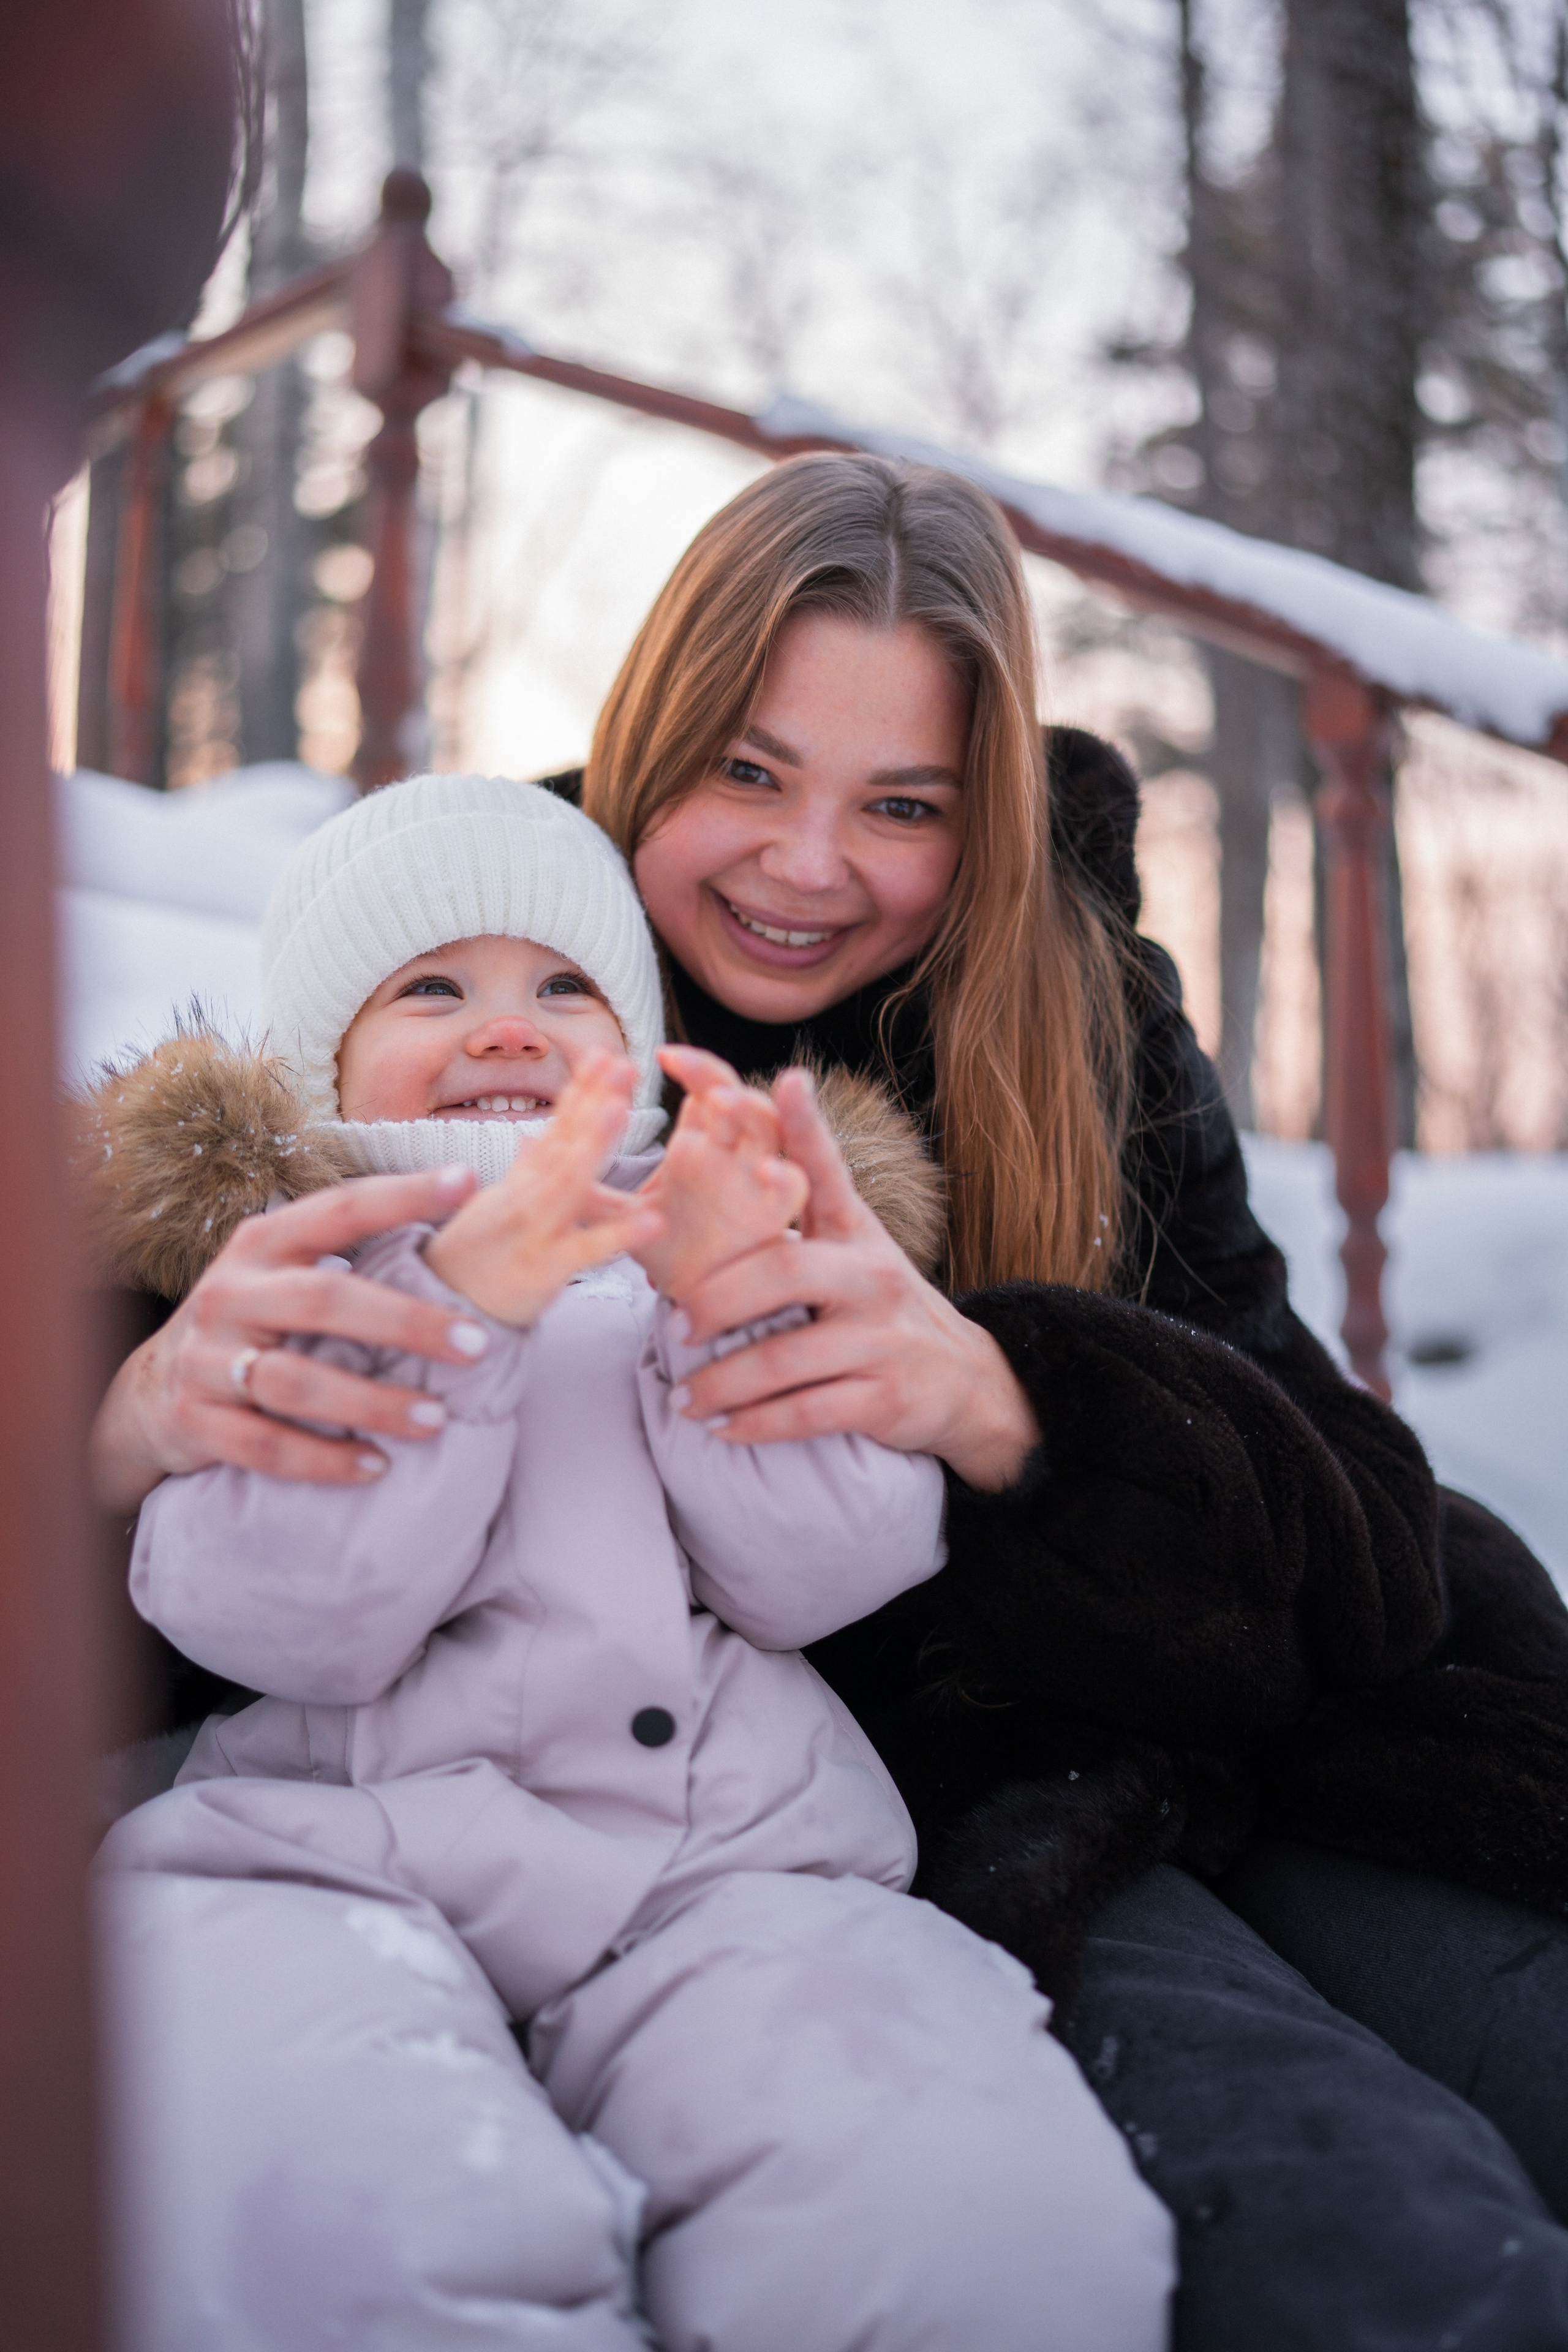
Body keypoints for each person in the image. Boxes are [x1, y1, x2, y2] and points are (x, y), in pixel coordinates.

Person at [89, 455, 1568, 2349]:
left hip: (1091, 1756)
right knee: (1357, 2219)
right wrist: (125, 1429)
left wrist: (1000, 1405)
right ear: (651, 741)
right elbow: (215, 1468)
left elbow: (1322, 1491)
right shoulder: (458, 987)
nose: (807, 867)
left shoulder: (1073, 1016)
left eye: (903, 805)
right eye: (750, 773)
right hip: (843, 1834)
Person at [95, 772, 1174, 2351]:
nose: (512, 1026)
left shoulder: (712, 1252)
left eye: (566, 988)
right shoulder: (288, 1281)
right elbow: (273, 1620)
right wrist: (454, 1306)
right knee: (317, 2182)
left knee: (951, 2196)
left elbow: (829, 1570)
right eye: (434, 985)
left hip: (727, 1869)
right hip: (326, 1855)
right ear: (323, 1052)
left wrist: (739, 1301)